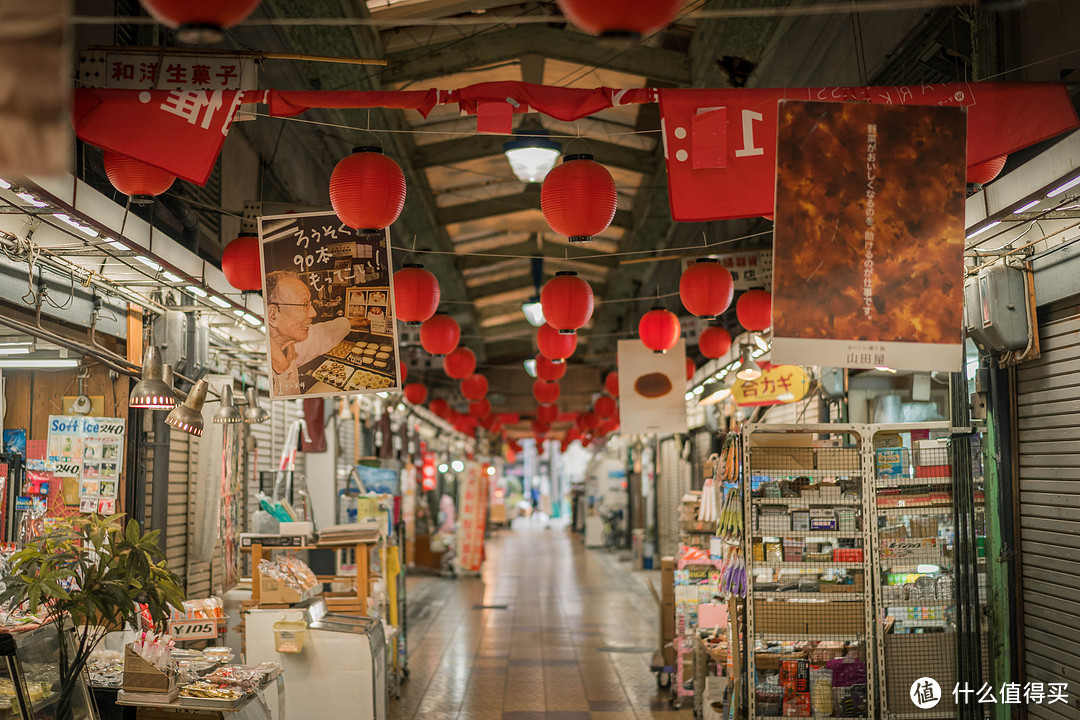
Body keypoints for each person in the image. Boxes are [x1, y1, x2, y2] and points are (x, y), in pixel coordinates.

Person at [266, 270, 364, 396]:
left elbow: (321, 334)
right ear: (273, 315)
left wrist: (349, 322)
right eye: (305, 304)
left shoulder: (290, 345)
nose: (313, 313)